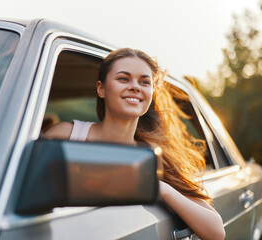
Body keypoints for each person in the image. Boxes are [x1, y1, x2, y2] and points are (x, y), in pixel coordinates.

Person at [44, 48, 225, 240]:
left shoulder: (155, 157)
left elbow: (216, 232)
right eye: (123, 78)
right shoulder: (65, 135)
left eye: (144, 82)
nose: (135, 86)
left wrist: (158, 187)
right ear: (101, 89)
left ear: (150, 92)